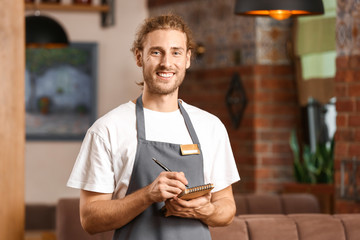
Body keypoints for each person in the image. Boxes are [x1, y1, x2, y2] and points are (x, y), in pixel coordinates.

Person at [67, 13, 240, 240]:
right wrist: (148, 195)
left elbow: (226, 209)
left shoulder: (210, 127)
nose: (166, 63)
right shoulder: (107, 129)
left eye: (176, 52)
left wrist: (205, 210)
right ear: (139, 57)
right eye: (156, 52)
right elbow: (90, 219)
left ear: (187, 59)